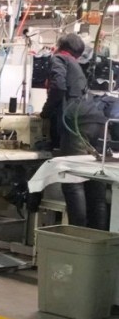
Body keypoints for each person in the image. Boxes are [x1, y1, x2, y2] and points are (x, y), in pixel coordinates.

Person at [44, 33, 108, 229]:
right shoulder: (76, 65)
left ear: (59, 45)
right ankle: (97, 235)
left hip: (77, 122)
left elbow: (58, 87)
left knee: (73, 180)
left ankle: (76, 235)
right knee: (95, 181)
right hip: (97, 121)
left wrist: (46, 111)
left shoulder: (59, 58)